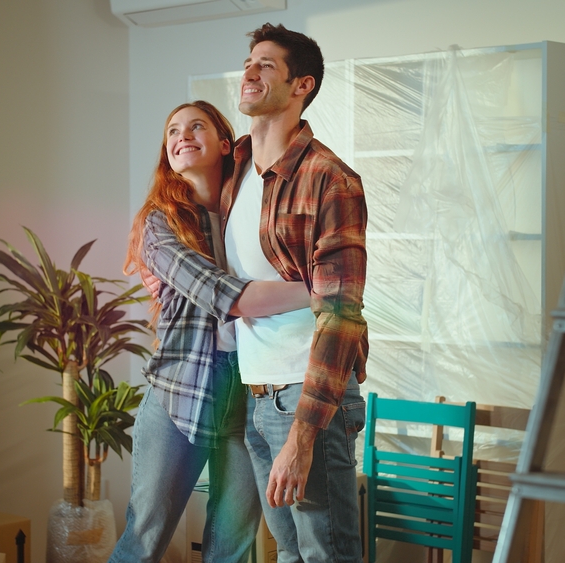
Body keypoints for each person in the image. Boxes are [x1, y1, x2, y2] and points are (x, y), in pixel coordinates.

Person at [108, 100, 312, 563]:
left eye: (196, 126)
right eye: (173, 130)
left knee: (232, 545)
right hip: (180, 391)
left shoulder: (250, 212)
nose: (182, 135)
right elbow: (229, 296)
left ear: (225, 144)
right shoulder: (159, 224)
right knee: (145, 538)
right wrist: (321, 289)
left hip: (249, 392)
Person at [221, 23, 369, 562]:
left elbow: (341, 315)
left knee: (327, 556)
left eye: (266, 64)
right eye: (249, 62)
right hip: (257, 393)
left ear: (302, 85)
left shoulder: (330, 177)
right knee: (289, 554)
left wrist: (304, 434)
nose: (250, 71)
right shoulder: (235, 169)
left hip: (307, 398)